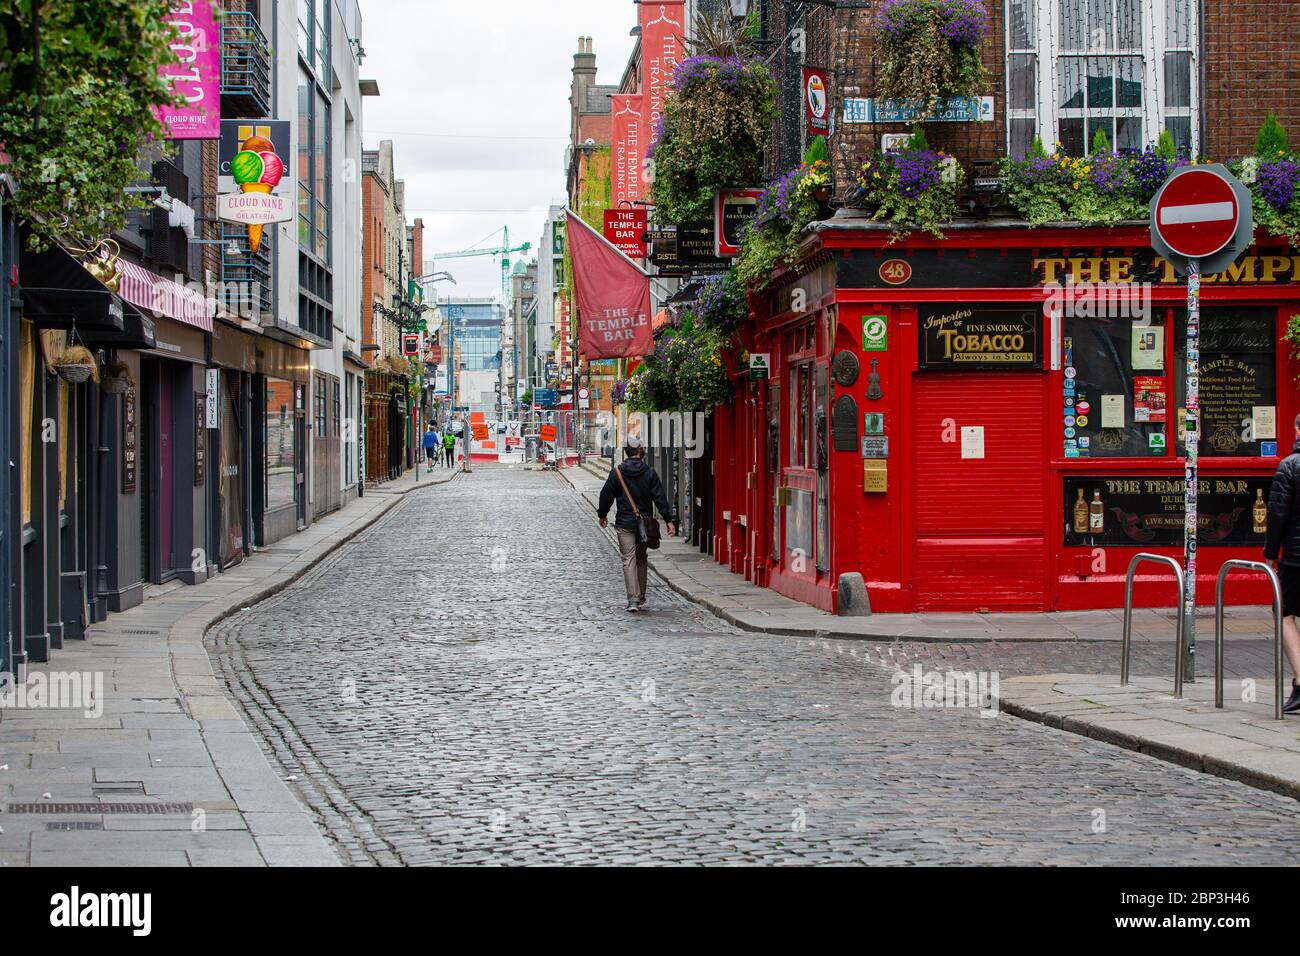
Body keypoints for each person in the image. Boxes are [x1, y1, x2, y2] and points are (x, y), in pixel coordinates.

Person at [597, 435, 677, 613]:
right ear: (641, 450)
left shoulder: (617, 472)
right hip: (644, 524)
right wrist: (669, 520)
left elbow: (606, 495)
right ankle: (640, 596)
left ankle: (633, 599)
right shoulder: (649, 472)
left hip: (625, 522)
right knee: (641, 558)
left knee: (628, 559)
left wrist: (602, 514)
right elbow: (660, 497)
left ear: (627, 451)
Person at [1263, 412, 1300, 715]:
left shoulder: (1289, 466)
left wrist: (1270, 551)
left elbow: (1277, 515)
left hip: (1296, 558)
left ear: (1296, 429)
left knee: (1284, 613)